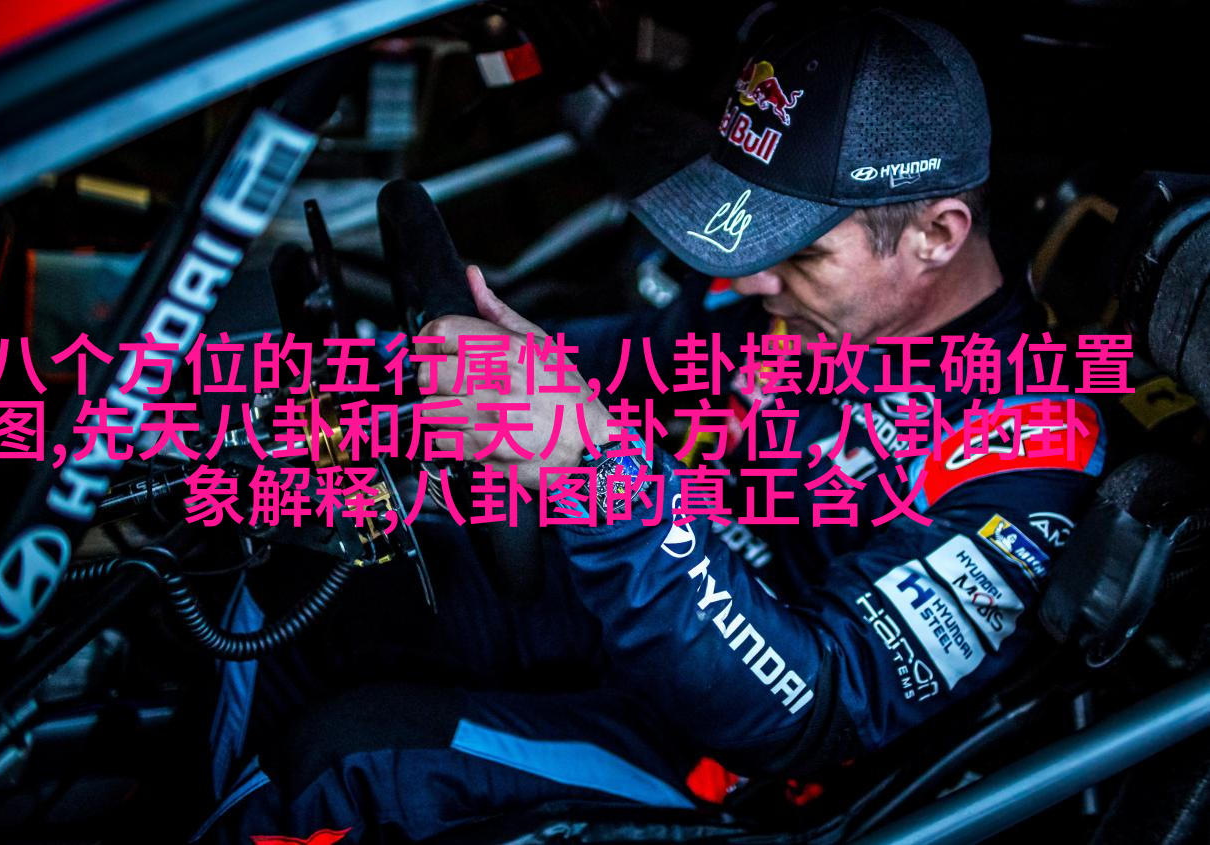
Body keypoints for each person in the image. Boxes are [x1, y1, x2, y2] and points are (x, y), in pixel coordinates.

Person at [199, 9, 1106, 843]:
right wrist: (368, 380)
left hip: (717, 762)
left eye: (797, 250)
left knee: (344, 765)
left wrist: (593, 469)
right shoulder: (791, 308)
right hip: (610, 620)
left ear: (936, 235)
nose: (751, 279)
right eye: (750, 238)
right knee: (295, 578)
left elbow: (814, 705)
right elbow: (609, 363)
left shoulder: (1031, 450)